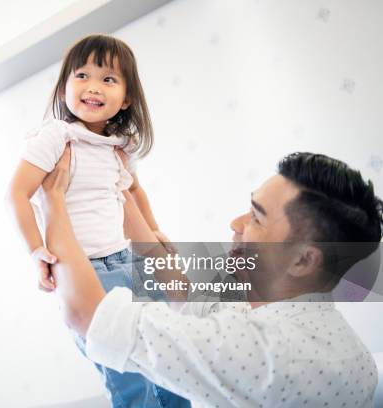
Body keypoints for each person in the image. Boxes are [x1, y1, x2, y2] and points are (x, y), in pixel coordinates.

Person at [41, 147, 382, 407]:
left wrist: (54, 201)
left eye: (257, 219)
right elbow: (190, 303)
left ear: (303, 260)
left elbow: (87, 315)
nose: (235, 223)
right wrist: (124, 192)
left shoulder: (270, 352)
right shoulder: (301, 318)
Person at [6, 34, 188, 407]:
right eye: (82, 76)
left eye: (108, 79)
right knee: (124, 372)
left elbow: (133, 191)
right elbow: (17, 194)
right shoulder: (56, 136)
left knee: (167, 357)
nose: (93, 87)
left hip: (129, 261)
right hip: (86, 272)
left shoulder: (121, 144)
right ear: (63, 88)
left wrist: (152, 228)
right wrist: (35, 250)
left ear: (128, 97)